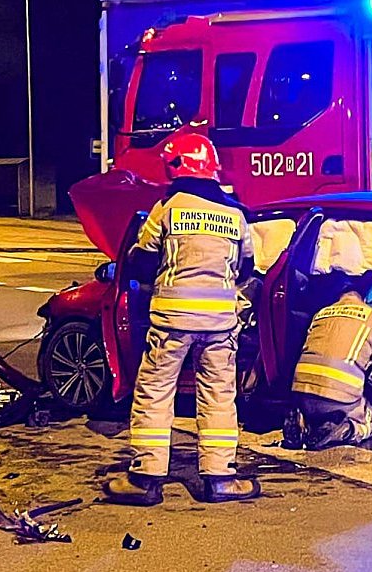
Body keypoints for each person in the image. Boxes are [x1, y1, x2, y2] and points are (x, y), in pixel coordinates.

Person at [103, 133, 260, 507]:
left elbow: (141, 262)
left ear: (175, 166)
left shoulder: (168, 208)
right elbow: (248, 268)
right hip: (220, 325)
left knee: (155, 394)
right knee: (219, 398)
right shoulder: (235, 213)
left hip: (172, 321)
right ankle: (221, 480)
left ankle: (145, 480)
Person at [283, 283, 372, 450]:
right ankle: (343, 430)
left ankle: (303, 421)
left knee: (316, 409)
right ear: (365, 296)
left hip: (301, 392)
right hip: (339, 397)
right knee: (370, 423)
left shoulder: (320, 313)